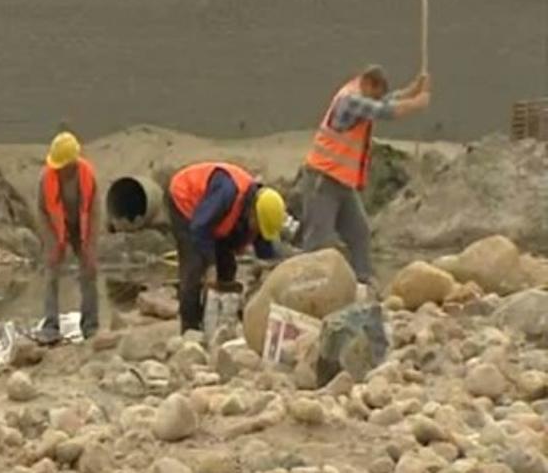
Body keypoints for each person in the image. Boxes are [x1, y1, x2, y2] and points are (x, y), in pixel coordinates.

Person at [302, 65, 431, 286]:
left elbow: (381, 103)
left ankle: (363, 282)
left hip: (341, 182)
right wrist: (417, 103)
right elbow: (382, 110)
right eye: (377, 92)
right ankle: (309, 288)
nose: (378, 98)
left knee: (359, 232)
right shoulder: (350, 99)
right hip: (322, 181)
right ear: (369, 84)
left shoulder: (361, 95)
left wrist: (411, 90)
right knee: (318, 241)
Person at [167, 162, 287, 335]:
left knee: (228, 265)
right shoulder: (227, 193)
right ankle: (190, 330)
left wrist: (269, 273)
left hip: (213, 219)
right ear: (253, 212)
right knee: (194, 268)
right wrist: (210, 265)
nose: (256, 231)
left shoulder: (260, 211)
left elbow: (265, 250)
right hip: (186, 201)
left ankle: (218, 323)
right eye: (257, 227)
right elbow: (199, 228)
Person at [36, 131, 100, 344]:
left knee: (89, 271)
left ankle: (91, 326)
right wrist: (52, 244)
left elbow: (95, 211)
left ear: (71, 163)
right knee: (52, 272)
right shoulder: (46, 178)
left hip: (81, 223)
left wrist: (89, 245)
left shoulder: (88, 174)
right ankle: (50, 326)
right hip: (55, 225)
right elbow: (43, 212)